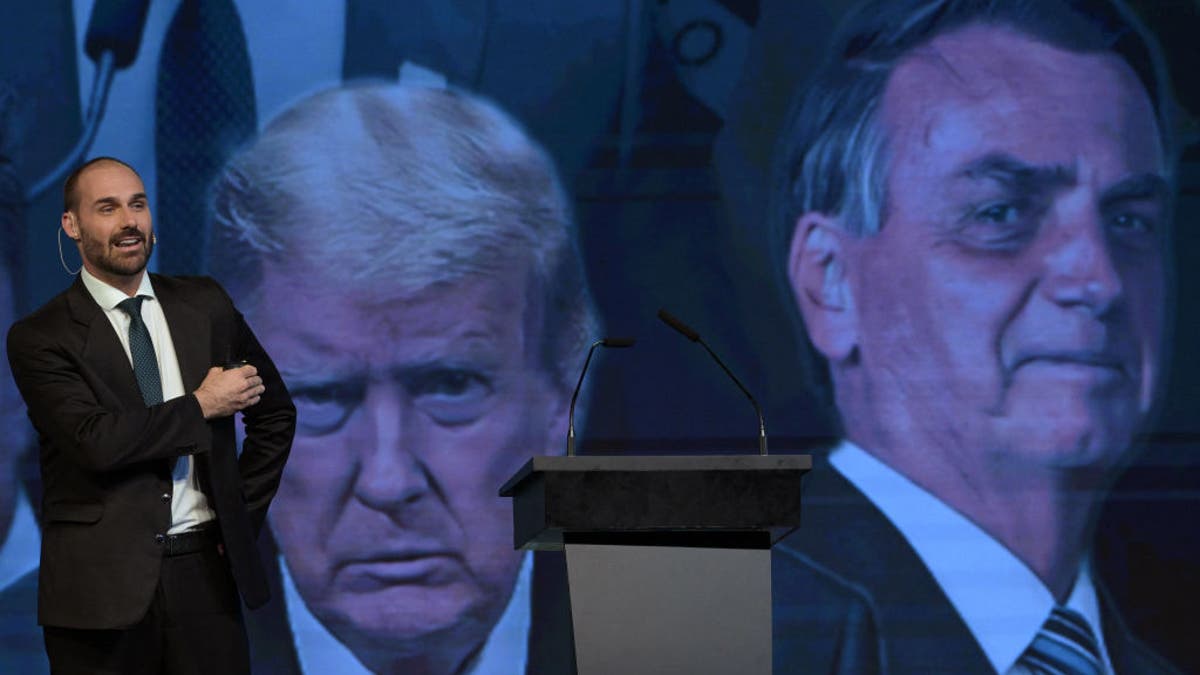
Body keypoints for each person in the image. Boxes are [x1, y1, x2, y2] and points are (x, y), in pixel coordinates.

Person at [768, 0, 1183, 672]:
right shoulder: (704, 629)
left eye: (1130, 220)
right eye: (1000, 213)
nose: (1100, 279)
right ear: (830, 281)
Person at [208, 84, 596, 674]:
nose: (389, 482)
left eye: (450, 387)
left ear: (563, 401)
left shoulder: (727, 641)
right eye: (317, 396)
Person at [6, 157, 296, 674]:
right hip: (98, 593)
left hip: (205, 577)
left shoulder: (204, 303)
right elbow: (94, 441)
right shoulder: (41, 336)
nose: (129, 221)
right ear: (71, 226)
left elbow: (274, 413)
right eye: (107, 208)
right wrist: (202, 404)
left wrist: (240, 516)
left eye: (137, 204)